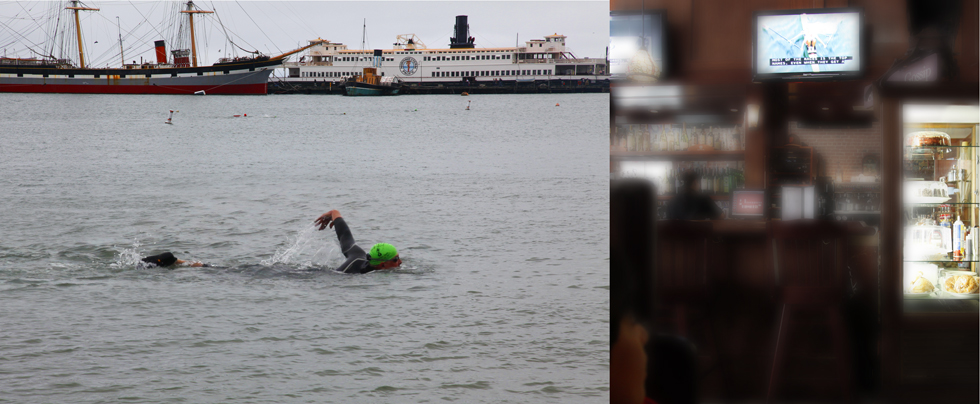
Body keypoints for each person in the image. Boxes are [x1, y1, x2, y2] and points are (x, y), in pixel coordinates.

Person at [314, 210, 402, 274]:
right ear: (383, 265)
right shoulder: (350, 272)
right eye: (396, 259)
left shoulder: (358, 254)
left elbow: (345, 235)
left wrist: (333, 213)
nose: (400, 262)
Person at [140, 252, 208, 268]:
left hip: (161, 260)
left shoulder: (144, 261)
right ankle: (203, 265)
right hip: (162, 261)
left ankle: (203, 265)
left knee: (182, 262)